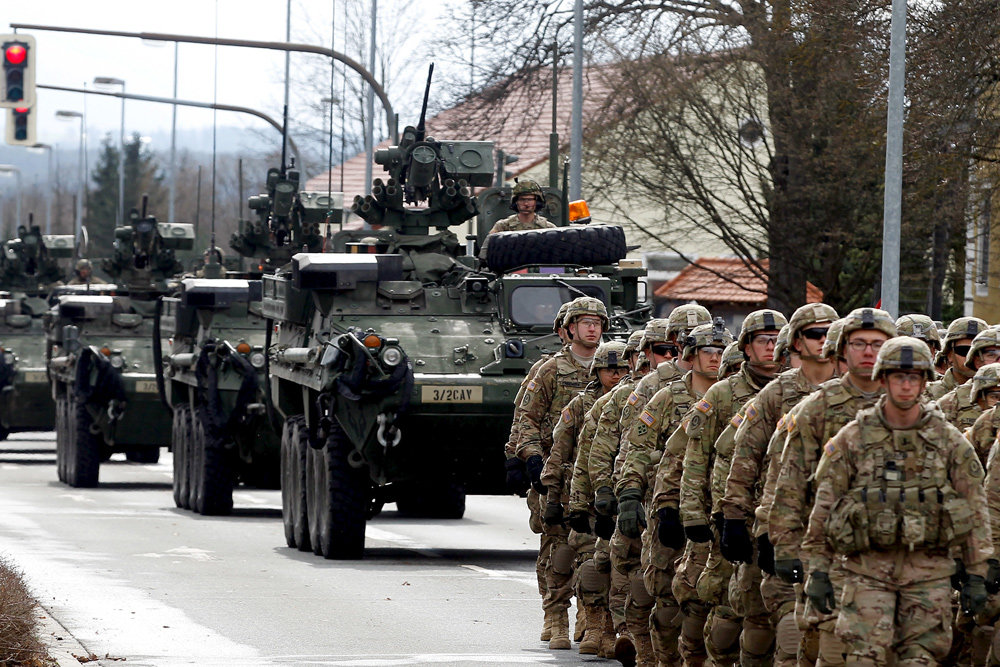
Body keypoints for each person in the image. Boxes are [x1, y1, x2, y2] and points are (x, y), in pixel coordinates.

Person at [802, 336, 992, 667]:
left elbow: (975, 509)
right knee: (863, 658)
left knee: (920, 659)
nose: (905, 385)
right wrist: (818, 571)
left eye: (913, 377)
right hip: (867, 571)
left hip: (929, 574)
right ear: (883, 379)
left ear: (924, 381)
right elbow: (825, 507)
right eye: (897, 376)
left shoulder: (948, 442)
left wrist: (977, 574)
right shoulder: (853, 438)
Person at [769, 307, 897, 667]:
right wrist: (784, 544)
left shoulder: (914, 406)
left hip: (900, 554)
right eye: (859, 343)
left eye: (878, 343)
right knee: (833, 646)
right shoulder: (817, 408)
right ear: (841, 350)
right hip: (830, 548)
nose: (869, 352)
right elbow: (790, 480)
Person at [719, 302, 839, 667]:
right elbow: (743, 455)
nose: (824, 341)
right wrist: (734, 518)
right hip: (781, 525)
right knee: (775, 630)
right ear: (797, 342)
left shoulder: (859, 391)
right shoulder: (777, 393)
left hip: (839, 532)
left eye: (830, 333)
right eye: (815, 334)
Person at [620, 320, 734, 666]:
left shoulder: (734, 397)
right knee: (668, 591)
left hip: (715, 508)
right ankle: (660, 658)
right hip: (669, 505)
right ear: (691, 354)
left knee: (707, 595)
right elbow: (637, 446)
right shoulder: (668, 396)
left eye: (720, 351)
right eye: (707, 351)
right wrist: (628, 493)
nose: (715, 359)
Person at [678, 308, 787, 667]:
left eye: (776, 340)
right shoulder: (724, 394)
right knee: (725, 605)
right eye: (762, 341)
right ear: (746, 347)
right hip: (731, 512)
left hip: (784, 519)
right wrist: (701, 515)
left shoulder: (798, 390)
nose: (770, 348)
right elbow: (701, 457)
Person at [517, 296, 608, 649]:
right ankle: (555, 614)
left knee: (592, 548)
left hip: (593, 473)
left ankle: (589, 613)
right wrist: (530, 459)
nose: (592, 328)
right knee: (557, 547)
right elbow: (526, 418)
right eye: (585, 322)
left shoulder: (614, 366)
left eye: (597, 322)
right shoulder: (551, 369)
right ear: (569, 329)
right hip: (557, 474)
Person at [540, 340, 628, 654]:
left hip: (614, 491)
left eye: (621, 369)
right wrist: (552, 496)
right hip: (575, 493)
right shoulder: (579, 405)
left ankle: (604, 627)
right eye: (609, 369)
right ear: (597, 371)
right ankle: (560, 617)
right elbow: (559, 450)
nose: (616, 375)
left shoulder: (633, 400)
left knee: (609, 563)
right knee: (565, 557)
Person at [479, 180, 556, 259]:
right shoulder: (503, 226)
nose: (526, 204)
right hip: (510, 269)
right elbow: (485, 255)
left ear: (537, 202)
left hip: (541, 269)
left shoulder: (548, 228)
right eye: (522, 199)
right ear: (516, 202)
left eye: (530, 199)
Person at [928, 317, 988, 400]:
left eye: (979, 352)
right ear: (949, 354)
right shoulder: (928, 394)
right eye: (964, 351)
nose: (971, 357)